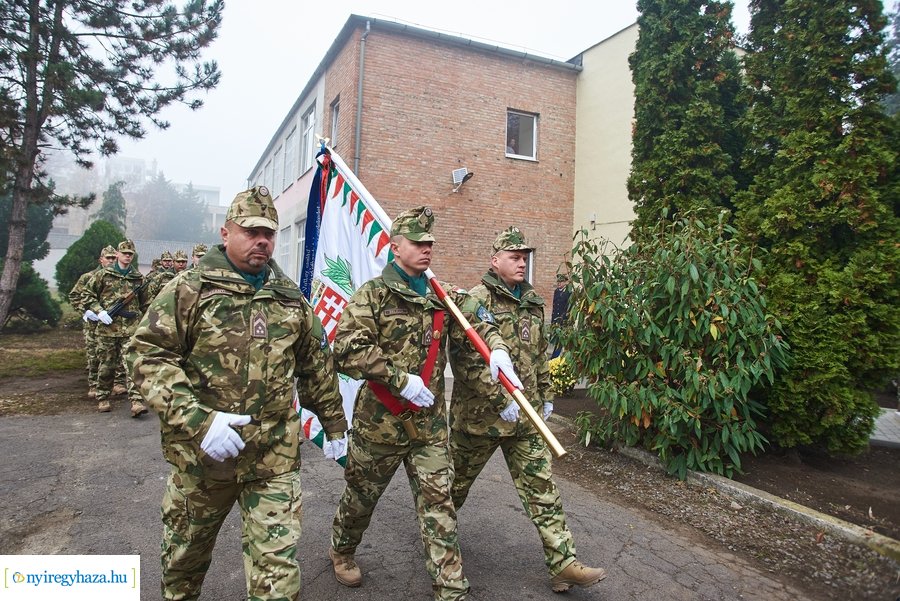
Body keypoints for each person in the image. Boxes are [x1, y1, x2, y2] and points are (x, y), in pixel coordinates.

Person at [127, 185, 347, 601]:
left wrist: (335, 423)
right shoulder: (190, 290)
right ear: (226, 233)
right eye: (251, 231)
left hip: (273, 458)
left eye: (269, 233)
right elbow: (146, 355)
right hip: (202, 457)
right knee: (184, 561)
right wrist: (198, 422)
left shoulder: (289, 298)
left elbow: (314, 363)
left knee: (278, 575)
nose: (262, 240)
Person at [328, 206, 518, 601]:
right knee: (360, 499)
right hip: (379, 424)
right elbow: (345, 348)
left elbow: (479, 320)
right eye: (418, 242)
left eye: (430, 242)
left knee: (439, 504)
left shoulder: (441, 293)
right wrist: (399, 378)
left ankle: (451, 588)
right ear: (395, 247)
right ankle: (342, 549)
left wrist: (497, 349)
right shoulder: (373, 295)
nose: (427, 248)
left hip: (429, 427)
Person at [448, 227, 607, 593]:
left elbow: (538, 356)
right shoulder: (475, 300)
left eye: (524, 258)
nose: (522, 263)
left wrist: (546, 393)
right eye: (514, 257)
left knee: (542, 488)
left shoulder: (532, 301)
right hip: (480, 420)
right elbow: (466, 361)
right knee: (453, 489)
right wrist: (500, 398)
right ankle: (438, 545)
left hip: (525, 419)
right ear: (495, 260)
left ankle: (563, 563)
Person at [84, 239, 149, 416]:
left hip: (130, 329)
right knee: (107, 365)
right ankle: (103, 396)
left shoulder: (138, 278)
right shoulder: (103, 275)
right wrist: (99, 312)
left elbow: (145, 303)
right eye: (125, 253)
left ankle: (136, 402)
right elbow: (87, 295)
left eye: (130, 254)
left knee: (132, 365)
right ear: (118, 254)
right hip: (107, 329)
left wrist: (144, 323)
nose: (127, 257)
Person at [69, 245, 117, 398]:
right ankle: (94, 385)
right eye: (108, 258)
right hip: (93, 324)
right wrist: (85, 312)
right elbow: (75, 296)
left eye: (113, 258)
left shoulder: (118, 278)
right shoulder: (88, 277)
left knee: (112, 356)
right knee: (94, 354)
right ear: (101, 260)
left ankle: (115, 383)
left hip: (112, 323)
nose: (111, 261)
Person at [550, 273, 570, 359]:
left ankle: (555, 357)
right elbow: (555, 307)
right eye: (558, 281)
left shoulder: (568, 292)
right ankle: (557, 356)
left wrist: (565, 319)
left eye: (561, 282)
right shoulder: (556, 292)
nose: (559, 283)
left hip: (564, 320)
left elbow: (569, 307)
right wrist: (553, 320)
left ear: (565, 282)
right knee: (556, 339)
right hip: (555, 320)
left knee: (561, 340)